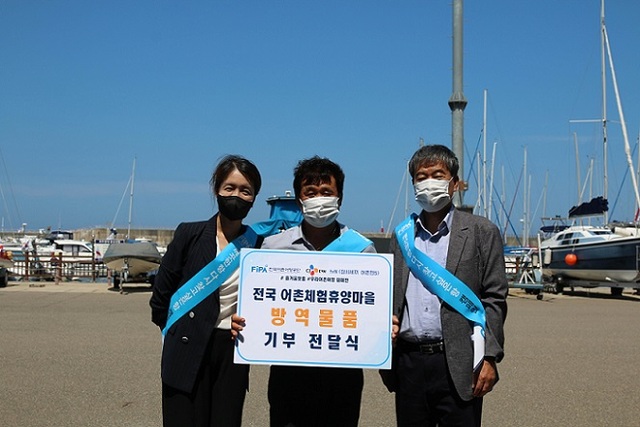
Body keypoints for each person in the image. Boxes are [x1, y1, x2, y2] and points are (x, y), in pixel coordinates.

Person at [233, 156, 375, 427]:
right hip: (289, 373)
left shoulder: (362, 249)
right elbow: (257, 304)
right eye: (310, 193)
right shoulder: (272, 247)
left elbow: (369, 311)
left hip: (343, 372)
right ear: (299, 200)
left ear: (340, 199)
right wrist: (244, 321)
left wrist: (382, 326)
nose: (318, 199)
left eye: (326, 192)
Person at [381, 144, 508, 426]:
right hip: (409, 360)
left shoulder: (481, 231)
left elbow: (494, 299)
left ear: (454, 183)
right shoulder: (401, 236)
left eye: (437, 174)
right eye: (421, 176)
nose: (428, 183)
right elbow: (389, 294)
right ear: (413, 184)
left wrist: (490, 356)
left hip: (459, 359)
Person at [149, 155, 263, 427]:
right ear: (217, 191)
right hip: (185, 348)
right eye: (229, 188)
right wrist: (175, 332)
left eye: (245, 191)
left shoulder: (258, 244)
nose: (236, 195)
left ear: (254, 198)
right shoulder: (190, 234)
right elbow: (160, 299)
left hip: (232, 350)